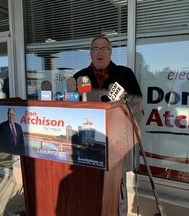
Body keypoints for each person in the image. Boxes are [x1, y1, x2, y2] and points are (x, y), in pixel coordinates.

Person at [73, 35, 144, 216]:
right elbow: (72, 110)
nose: (100, 52)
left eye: (104, 48)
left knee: (117, 188)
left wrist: (134, 127)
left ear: (110, 52)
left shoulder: (125, 74)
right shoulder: (79, 77)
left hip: (117, 141)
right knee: (90, 186)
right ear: (90, 53)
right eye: (95, 49)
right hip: (88, 143)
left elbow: (137, 106)